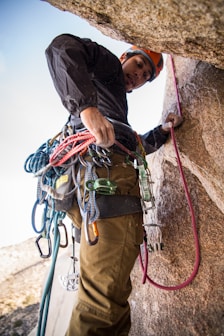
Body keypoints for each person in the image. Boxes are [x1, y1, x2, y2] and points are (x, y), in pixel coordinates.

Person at [45, 34, 183, 336]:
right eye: (138, 64)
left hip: (87, 184)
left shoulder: (113, 101)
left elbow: (132, 145)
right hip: (104, 180)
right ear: (124, 57)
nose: (139, 75)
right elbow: (62, 47)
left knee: (106, 291)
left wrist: (161, 132)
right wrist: (87, 109)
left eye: (146, 75)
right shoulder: (108, 70)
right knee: (103, 303)